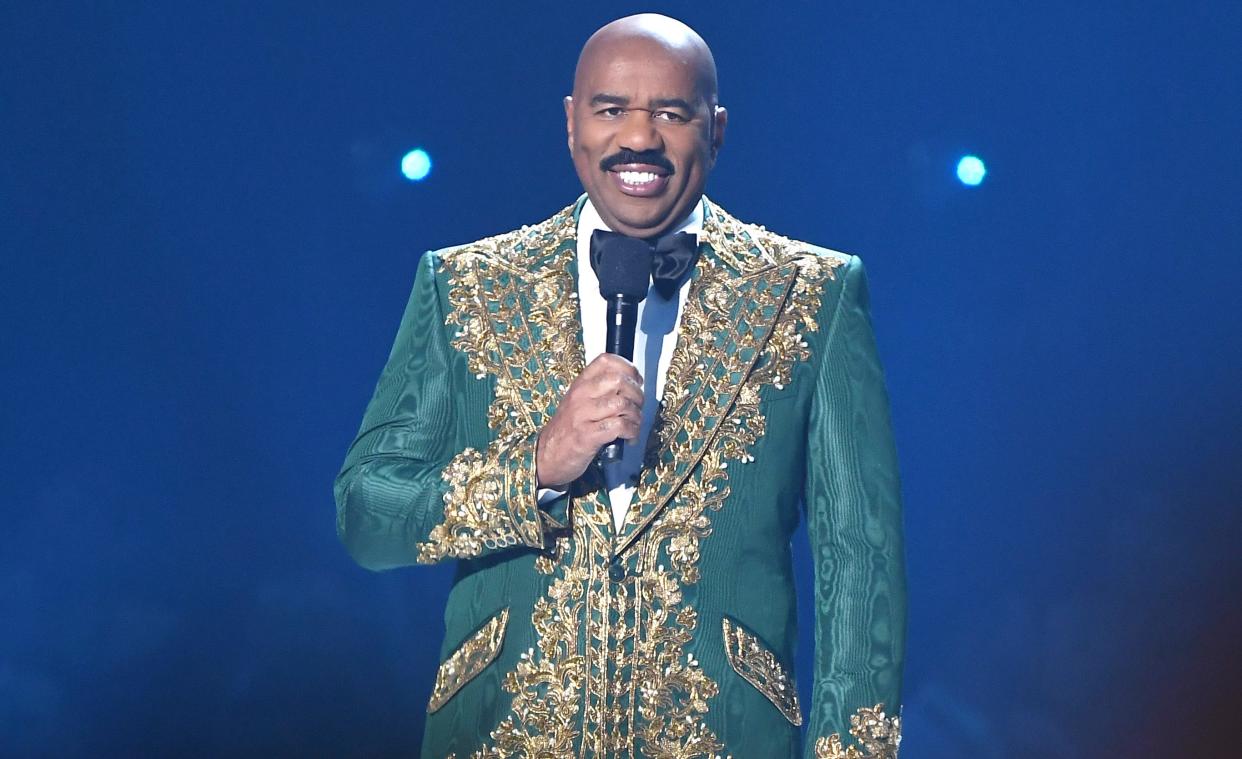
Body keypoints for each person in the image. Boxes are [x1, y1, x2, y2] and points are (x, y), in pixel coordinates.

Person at [334, 13, 905, 759]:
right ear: (572, 122)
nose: (639, 138)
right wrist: (535, 465)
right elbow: (365, 514)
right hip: (499, 735)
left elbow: (861, 570)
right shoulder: (466, 284)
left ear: (717, 128)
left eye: (671, 113)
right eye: (612, 110)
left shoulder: (810, 294)